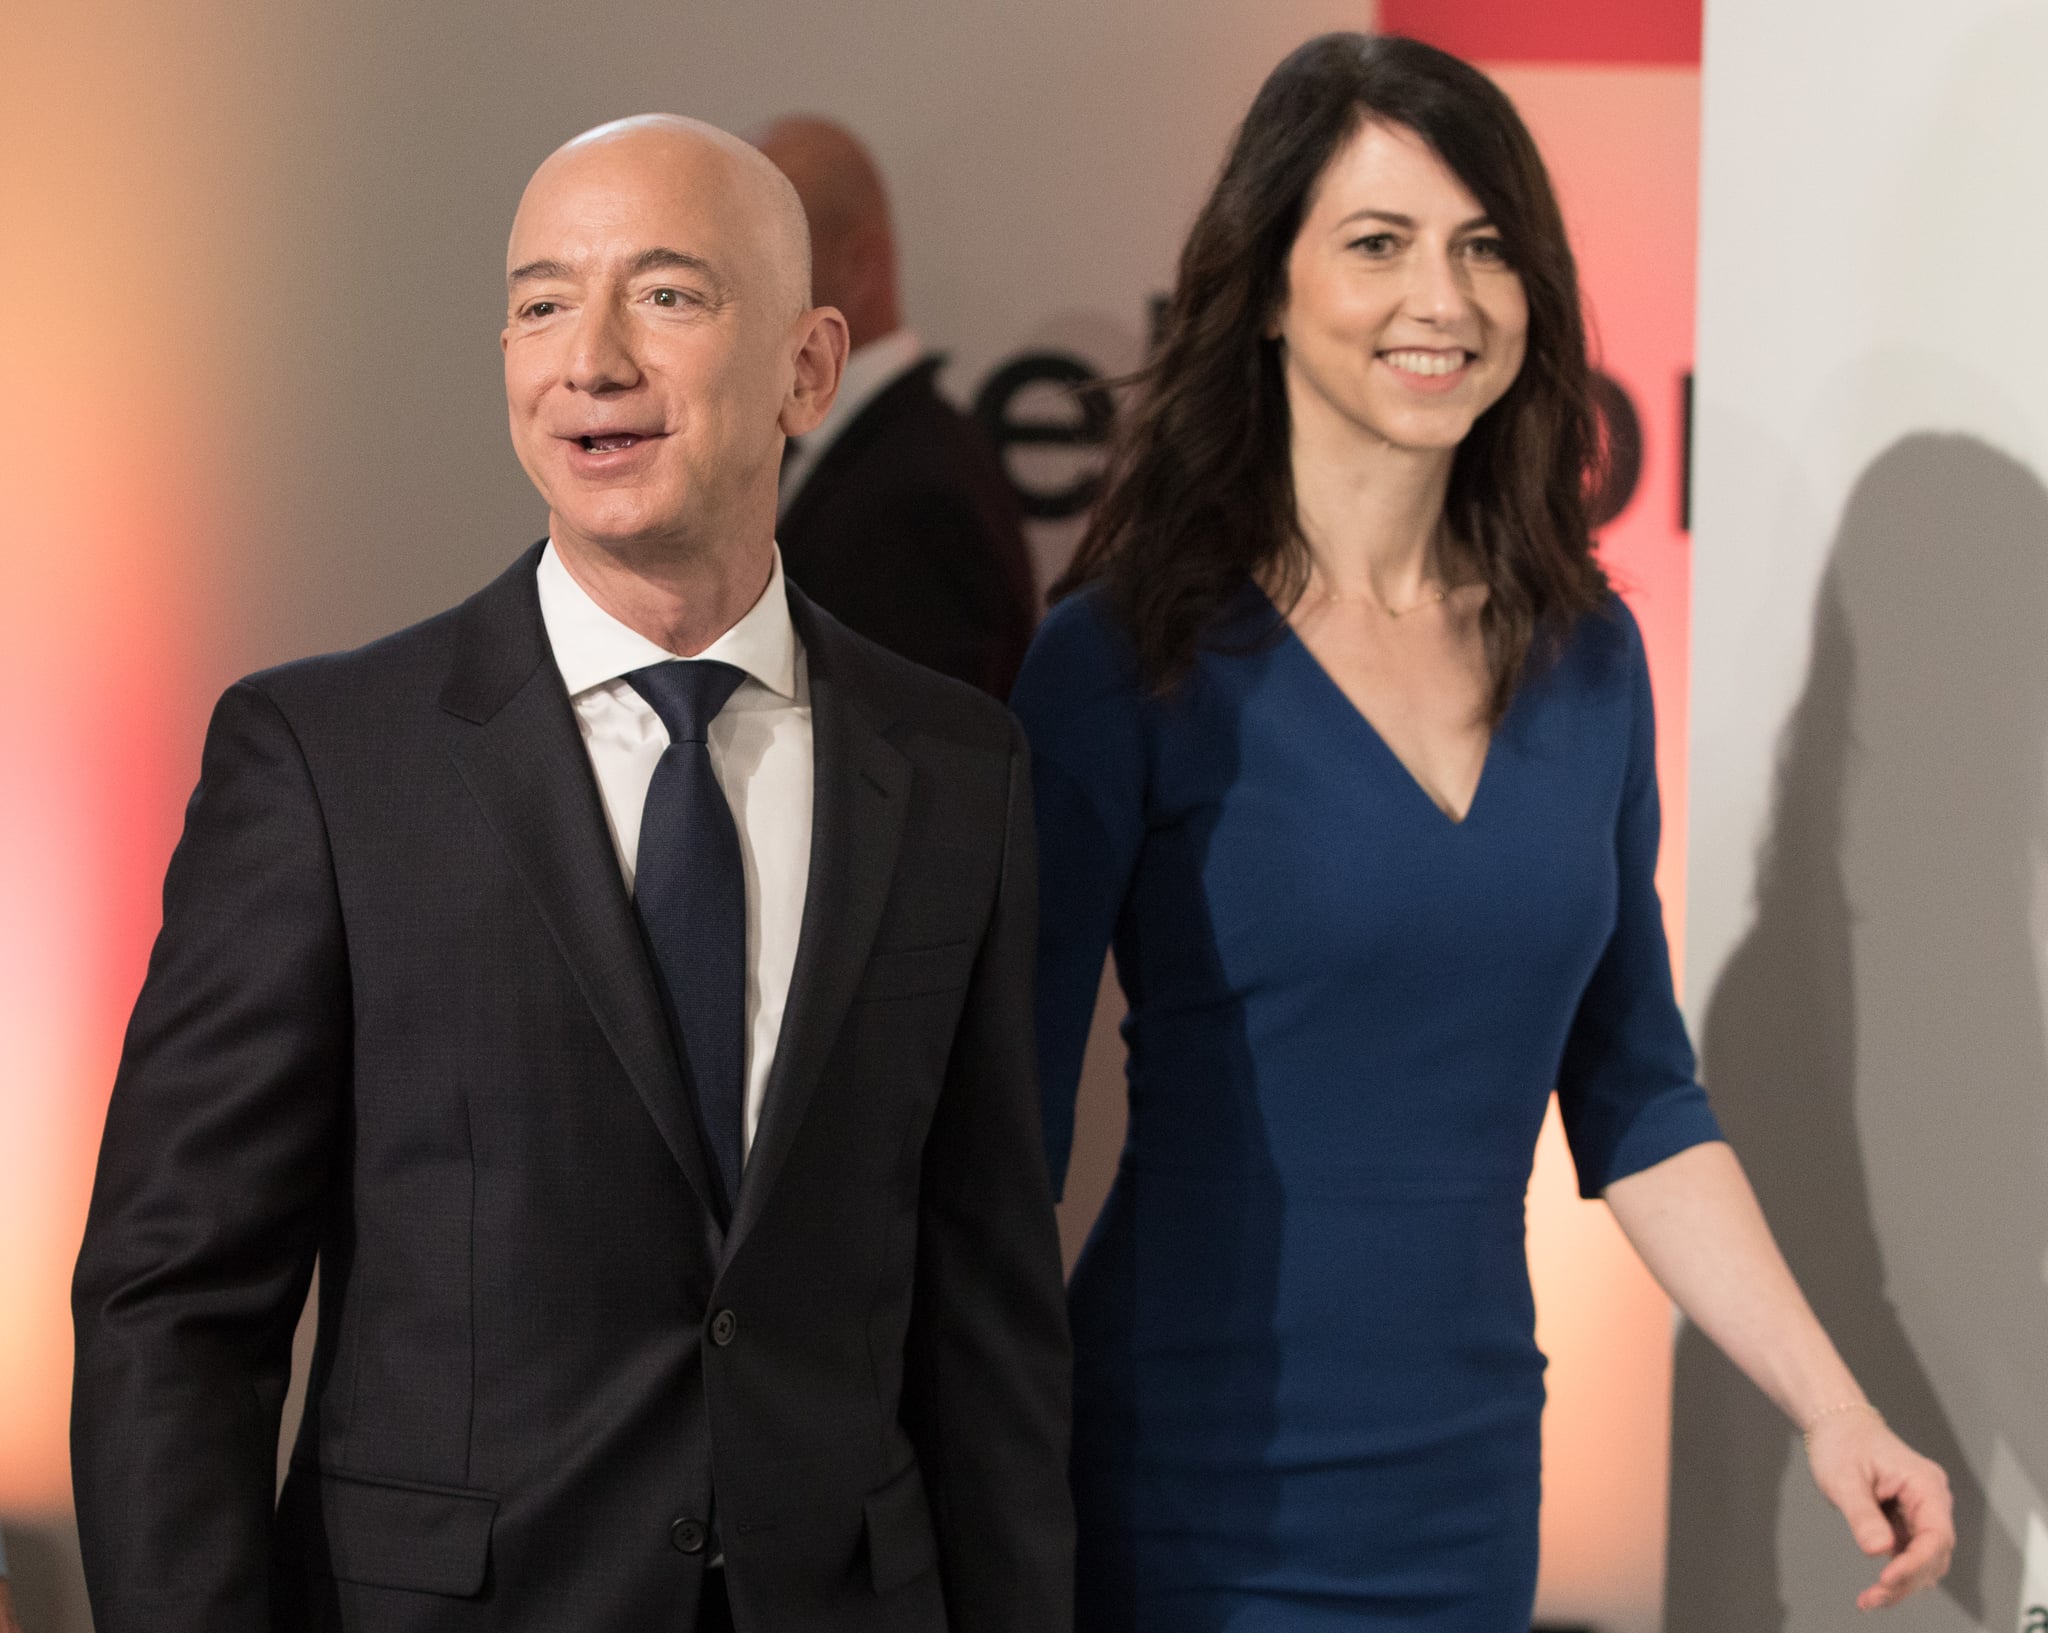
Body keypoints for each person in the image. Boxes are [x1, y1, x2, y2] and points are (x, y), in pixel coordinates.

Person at [71, 114, 1072, 1633]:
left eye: (666, 295)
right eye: (542, 301)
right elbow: (177, 1309)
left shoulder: (956, 773)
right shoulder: (330, 763)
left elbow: (988, 1311)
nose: (587, 358)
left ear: (810, 364)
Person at [1010, 33, 1953, 1630]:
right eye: (1377, 245)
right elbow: (999, 1132)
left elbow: (1639, 1090)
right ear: (1266, 291)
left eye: (1486, 247)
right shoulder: (1122, 658)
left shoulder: (1586, 662)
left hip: (1464, 1491)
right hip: (1185, 1492)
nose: (1440, 301)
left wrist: (1835, 1406)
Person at [753, 116, 1037, 698]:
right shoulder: (822, 450)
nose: (734, 292)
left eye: (764, 259)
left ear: (860, 266)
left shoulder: (925, 494)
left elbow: (930, 762)